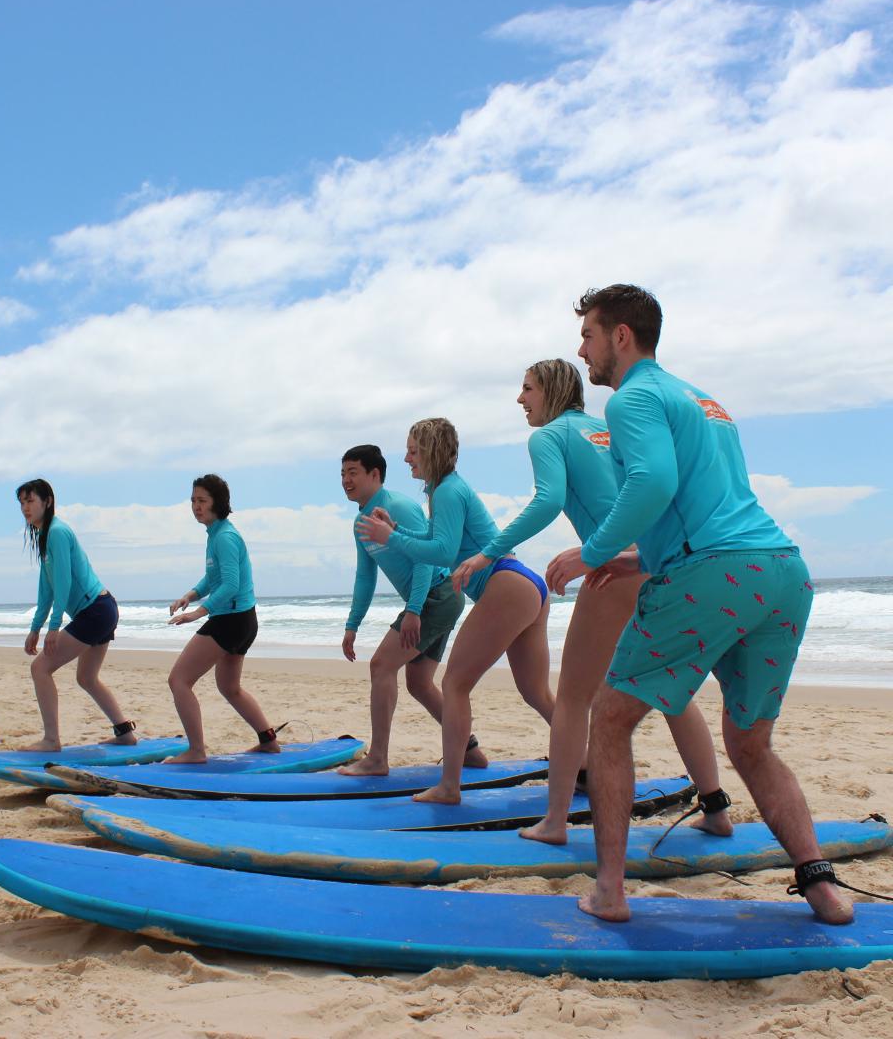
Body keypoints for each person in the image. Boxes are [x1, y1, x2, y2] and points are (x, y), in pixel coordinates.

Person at [545, 283, 851, 925]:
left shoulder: (632, 398)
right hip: (780, 572)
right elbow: (710, 501)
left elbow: (655, 483)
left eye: (589, 335)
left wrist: (594, 552)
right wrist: (641, 559)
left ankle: (609, 892)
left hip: (712, 575)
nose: (583, 350)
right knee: (750, 744)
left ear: (620, 337)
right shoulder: (704, 400)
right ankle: (823, 887)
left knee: (610, 716)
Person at [451, 361, 730, 844]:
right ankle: (716, 807)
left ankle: (556, 822)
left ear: (552, 391)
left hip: (611, 572)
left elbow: (546, 501)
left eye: (527, 389)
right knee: (672, 693)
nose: (521, 400)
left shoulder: (549, 436)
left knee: (574, 698)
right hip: (655, 562)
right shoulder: (605, 429)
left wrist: (486, 553)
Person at [357, 418, 553, 804]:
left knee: (454, 685)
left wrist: (390, 537)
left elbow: (443, 555)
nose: (407, 457)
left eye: (413, 450)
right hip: (527, 586)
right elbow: (436, 540)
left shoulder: (446, 491)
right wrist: (397, 530)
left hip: (505, 584)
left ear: (430, 450)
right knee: (537, 694)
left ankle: (449, 787)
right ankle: (585, 764)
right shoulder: (446, 489)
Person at [336, 444, 480, 777]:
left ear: (375, 474)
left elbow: (425, 558)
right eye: (342, 473)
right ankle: (470, 751)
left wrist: (414, 609)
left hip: (436, 595)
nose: (346, 480)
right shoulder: (361, 523)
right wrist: (352, 624)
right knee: (418, 682)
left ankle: (378, 758)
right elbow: (365, 576)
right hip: (432, 599)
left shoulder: (399, 506)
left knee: (381, 665)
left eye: (353, 472)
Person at [165, 474, 280, 763]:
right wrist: (189, 596)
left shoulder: (225, 537)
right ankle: (268, 740)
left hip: (230, 620)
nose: (196, 506)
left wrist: (199, 613)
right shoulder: (217, 534)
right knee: (229, 687)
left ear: (218, 503)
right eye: (193, 500)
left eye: (202, 500)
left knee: (179, 680)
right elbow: (213, 577)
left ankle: (196, 750)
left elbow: (230, 584)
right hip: (243, 620)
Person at [17, 479, 136, 752]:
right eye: (22, 502)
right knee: (87, 678)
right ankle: (124, 732)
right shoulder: (45, 536)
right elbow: (46, 587)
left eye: (30, 500)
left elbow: (63, 583)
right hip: (101, 609)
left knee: (40, 668)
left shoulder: (57, 532)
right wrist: (36, 627)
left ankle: (51, 739)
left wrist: (54, 627)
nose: (25, 507)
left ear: (47, 502)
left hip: (95, 610)